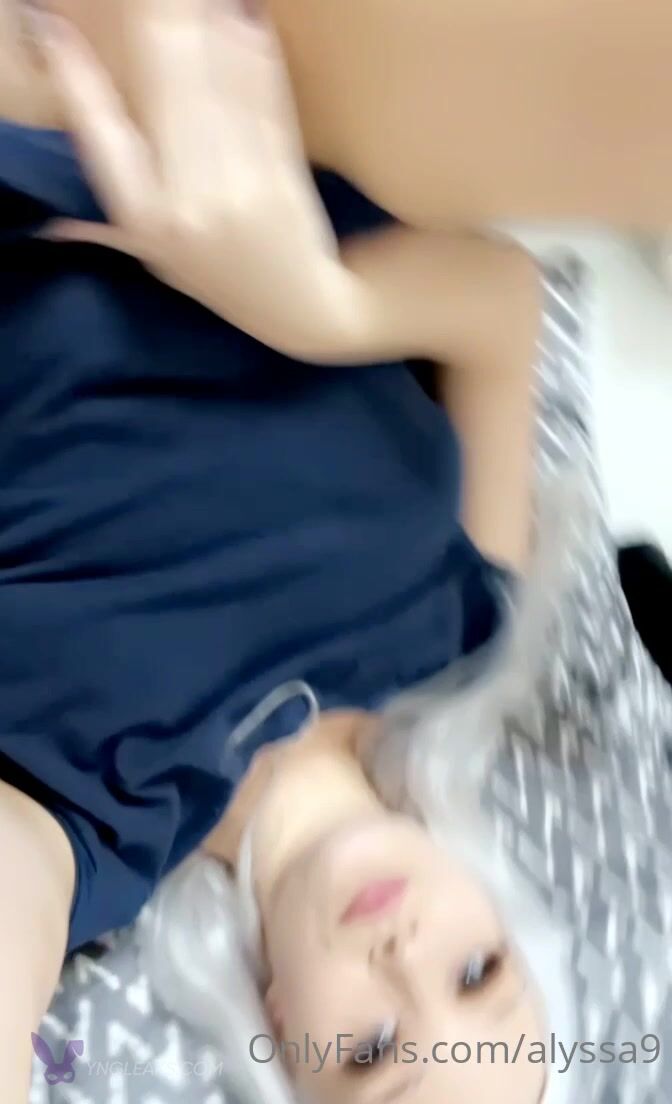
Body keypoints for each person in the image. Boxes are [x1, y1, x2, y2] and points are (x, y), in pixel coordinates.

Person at [0, 2, 644, 1101]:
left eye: (372, 1051)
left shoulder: (98, 840)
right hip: (258, 109)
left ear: (283, 1038)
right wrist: (318, 309)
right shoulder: (466, 633)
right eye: (478, 974)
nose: (407, 960)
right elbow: (501, 304)